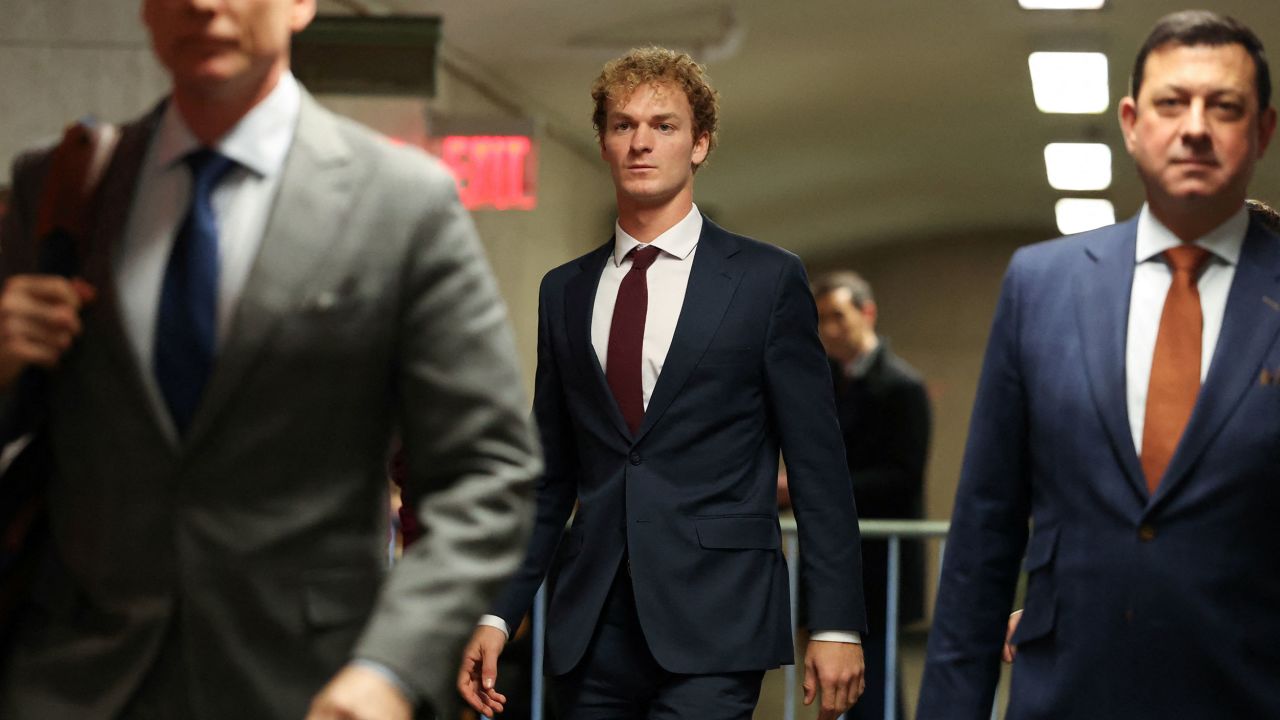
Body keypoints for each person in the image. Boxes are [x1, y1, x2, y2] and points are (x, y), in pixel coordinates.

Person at [0, 1, 539, 718]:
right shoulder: (64, 185)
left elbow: (489, 473)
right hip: (76, 683)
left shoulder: (400, 204)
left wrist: (392, 667)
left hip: (307, 686)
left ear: (300, 5)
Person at [457, 47, 867, 720]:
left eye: (664, 125)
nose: (641, 141)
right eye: (623, 125)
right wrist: (498, 613)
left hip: (718, 616)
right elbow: (549, 476)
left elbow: (820, 466)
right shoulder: (566, 292)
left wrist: (835, 623)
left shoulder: (766, 282)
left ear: (700, 143)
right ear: (602, 142)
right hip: (591, 624)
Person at [918, 9, 1280, 719]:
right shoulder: (1042, 284)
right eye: (1172, 102)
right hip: (1070, 692)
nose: (1196, 126)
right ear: (1131, 122)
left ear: (1263, 130)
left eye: (1225, 106)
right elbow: (985, 531)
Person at [810, 271, 930, 720]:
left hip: (881, 563)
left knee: (874, 685)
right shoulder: (830, 382)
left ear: (868, 313)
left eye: (838, 317)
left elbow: (903, 476)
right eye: (821, 319)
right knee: (840, 688)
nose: (829, 330)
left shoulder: (902, 386)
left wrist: (811, 488)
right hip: (841, 556)